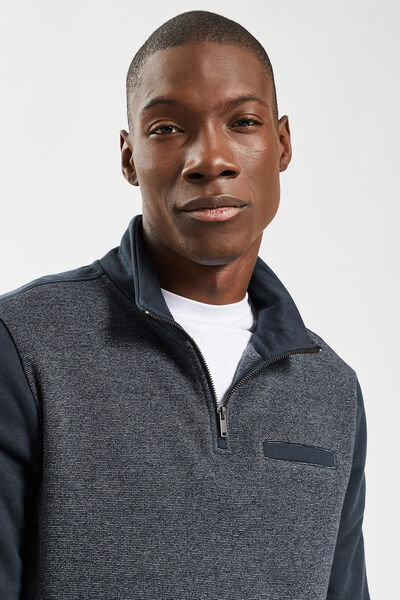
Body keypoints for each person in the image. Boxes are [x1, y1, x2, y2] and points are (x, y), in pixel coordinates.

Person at [0, 9, 370, 600]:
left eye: (243, 121)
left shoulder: (330, 389)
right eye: (168, 128)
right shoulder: (23, 345)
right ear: (129, 158)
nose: (210, 159)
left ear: (282, 144)